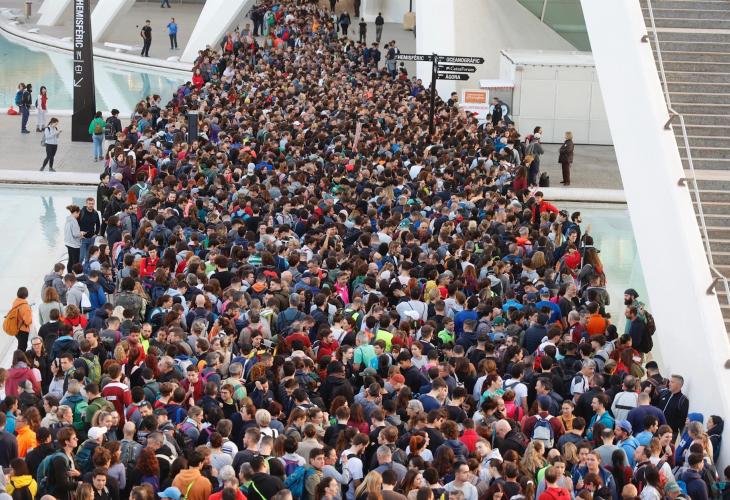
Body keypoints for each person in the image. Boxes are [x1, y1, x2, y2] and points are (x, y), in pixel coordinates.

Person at [4, 289, 33, 353]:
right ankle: (18, 358)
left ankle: (18, 357)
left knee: (21, 346)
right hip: (23, 330)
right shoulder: (25, 306)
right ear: (26, 295)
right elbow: (28, 321)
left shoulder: (15, 302)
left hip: (16, 328)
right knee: (22, 347)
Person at [64, 205, 84, 270]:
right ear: (75, 212)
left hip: (68, 243)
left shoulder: (68, 219)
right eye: (78, 213)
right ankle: (75, 274)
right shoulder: (74, 221)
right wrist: (81, 233)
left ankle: (69, 273)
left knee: (70, 260)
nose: (79, 215)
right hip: (74, 245)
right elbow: (75, 234)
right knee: (75, 262)